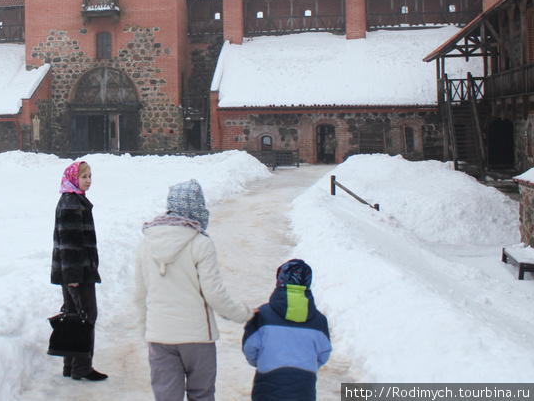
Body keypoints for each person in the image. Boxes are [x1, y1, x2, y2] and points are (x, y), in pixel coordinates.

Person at [134, 179, 251, 401]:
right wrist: (243, 314)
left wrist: (147, 331)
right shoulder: (201, 243)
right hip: (197, 338)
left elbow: (141, 295)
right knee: (202, 394)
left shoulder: (146, 243)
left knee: (166, 396)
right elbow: (214, 294)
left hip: (160, 337)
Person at [242, 259, 332, 401]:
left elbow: (249, 348)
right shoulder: (319, 321)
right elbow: (324, 352)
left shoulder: (262, 314)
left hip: (266, 386)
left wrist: (260, 362)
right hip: (304, 387)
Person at [50, 160, 108, 381]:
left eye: (90, 176)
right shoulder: (71, 204)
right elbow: (69, 244)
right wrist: (73, 277)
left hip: (75, 271)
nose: (88, 181)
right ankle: (82, 367)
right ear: (74, 178)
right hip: (77, 272)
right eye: (84, 177)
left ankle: (70, 365)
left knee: (74, 316)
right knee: (86, 316)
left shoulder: (74, 200)